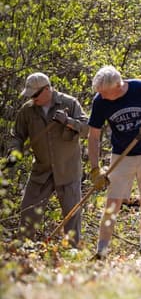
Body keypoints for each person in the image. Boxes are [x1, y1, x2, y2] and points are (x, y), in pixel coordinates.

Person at [88, 65, 141, 258]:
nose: (102, 96)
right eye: (99, 92)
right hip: (121, 155)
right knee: (113, 201)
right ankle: (101, 251)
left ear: (117, 85)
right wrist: (95, 169)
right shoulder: (100, 101)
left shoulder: (140, 88)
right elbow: (93, 136)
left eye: (105, 92)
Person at [6, 72, 88, 246]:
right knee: (28, 213)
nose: (33, 98)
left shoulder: (69, 103)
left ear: (47, 89)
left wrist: (68, 121)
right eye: (30, 95)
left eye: (35, 94)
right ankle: (23, 252)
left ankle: (72, 255)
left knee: (72, 215)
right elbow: (17, 136)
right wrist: (14, 152)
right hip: (41, 171)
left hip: (68, 171)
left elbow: (87, 129)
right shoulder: (27, 111)